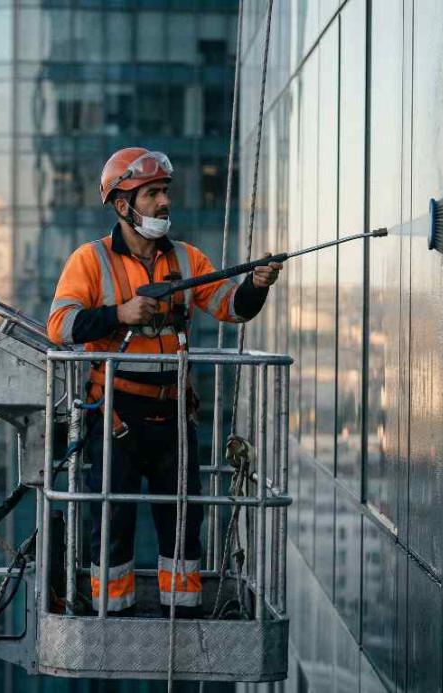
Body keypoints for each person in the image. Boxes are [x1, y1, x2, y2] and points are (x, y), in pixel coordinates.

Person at [46, 147, 281, 616]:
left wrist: (257, 284)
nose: (163, 201)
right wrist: (120, 313)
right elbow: (60, 326)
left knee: (183, 517)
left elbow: (231, 308)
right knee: (111, 518)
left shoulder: (187, 260)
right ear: (123, 205)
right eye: (152, 193)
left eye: (164, 191)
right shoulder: (90, 260)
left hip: (173, 412)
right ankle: (112, 611)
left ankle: (183, 609)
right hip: (115, 414)